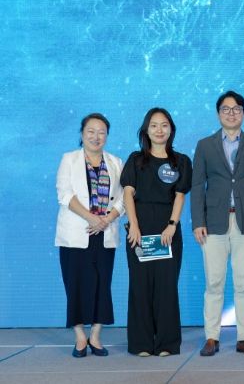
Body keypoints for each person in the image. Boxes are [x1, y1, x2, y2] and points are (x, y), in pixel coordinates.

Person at [192, 91, 244, 357]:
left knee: (243, 283)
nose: (231, 113)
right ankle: (211, 337)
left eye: (236, 109)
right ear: (218, 114)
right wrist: (198, 222)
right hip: (213, 223)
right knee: (214, 283)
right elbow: (197, 186)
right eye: (226, 109)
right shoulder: (205, 145)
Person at [120, 108, 192, 357]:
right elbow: (128, 193)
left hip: (167, 232)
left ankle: (167, 343)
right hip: (139, 232)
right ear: (146, 130)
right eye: (154, 125)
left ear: (171, 129)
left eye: (164, 125)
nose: (159, 130)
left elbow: (180, 196)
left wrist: (172, 225)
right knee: (140, 286)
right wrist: (134, 225)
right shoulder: (136, 160)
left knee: (166, 287)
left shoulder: (181, 161)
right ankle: (141, 343)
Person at [55, 113, 124, 357]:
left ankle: (95, 336)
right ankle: (80, 337)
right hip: (77, 233)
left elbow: (124, 198)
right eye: (91, 131)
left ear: (107, 136)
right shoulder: (69, 159)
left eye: (101, 132)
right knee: (74, 284)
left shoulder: (116, 162)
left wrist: (107, 219)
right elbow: (64, 194)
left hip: (105, 233)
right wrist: (91, 217)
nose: (96, 136)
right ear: (82, 134)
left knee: (102, 285)